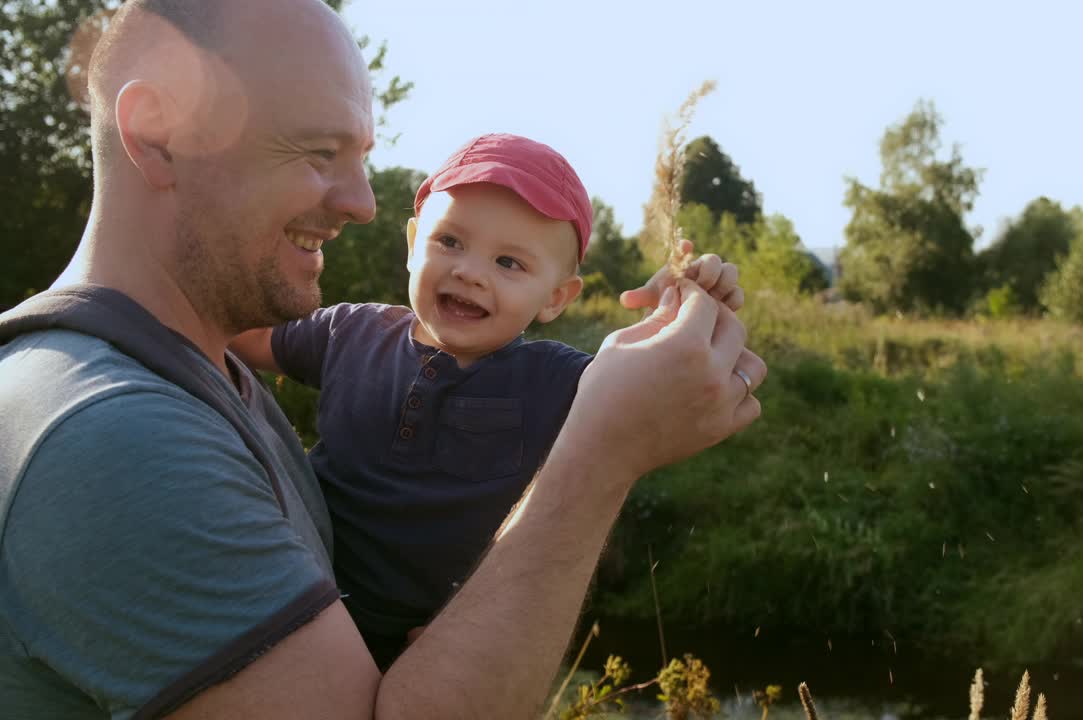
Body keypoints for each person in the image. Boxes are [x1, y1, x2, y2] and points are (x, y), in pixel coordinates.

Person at [0, 1, 766, 718]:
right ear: (158, 134)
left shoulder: (185, 372)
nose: (363, 202)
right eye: (318, 151)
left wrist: (677, 323)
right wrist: (599, 459)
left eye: (360, 156)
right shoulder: (115, 440)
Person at [229, 132, 746, 667]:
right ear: (413, 245)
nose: (469, 272)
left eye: (509, 263)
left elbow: (664, 392)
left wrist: (686, 305)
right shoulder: (351, 333)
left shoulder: (558, 381)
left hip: (434, 650)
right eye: (449, 241)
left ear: (556, 297)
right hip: (301, 622)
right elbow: (235, 334)